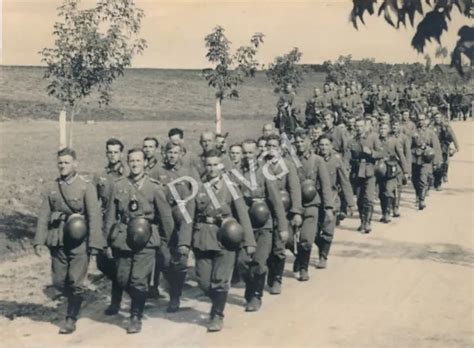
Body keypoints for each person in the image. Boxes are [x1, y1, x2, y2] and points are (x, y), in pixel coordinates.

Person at [34, 147, 104, 334]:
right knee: (58, 281)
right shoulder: (51, 187)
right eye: (60, 163)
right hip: (58, 238)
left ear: (75, 164)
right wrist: (39, 241)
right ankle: (74, 298)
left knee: (75, 281)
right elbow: (43, 215)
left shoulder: (85, 186)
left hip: (79, 240)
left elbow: (94, 216)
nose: (63, 166)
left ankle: (70, 318)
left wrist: (95, 243)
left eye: (66, 162)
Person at [104, 148, 174, 334]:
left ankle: (136, 315)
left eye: (138, 160)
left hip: (147, 239)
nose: (135, 164)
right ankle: (139, 299)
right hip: (123, 238)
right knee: (122, 278)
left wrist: (167, 244)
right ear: (127, 163)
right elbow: (110, 216)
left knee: (138, 280)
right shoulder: (118, 185)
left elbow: (166, 218)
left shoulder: (155, 187)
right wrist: (108, 242)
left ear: (145, 163)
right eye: (132, 161)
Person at [192, 149, 256, 332]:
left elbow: (243, 215)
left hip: (226, 239)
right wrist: (183, 242)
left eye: (215, 165)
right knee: (204, 282)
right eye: (208, 165)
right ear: (205, 166)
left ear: (221, 166)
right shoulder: (198, 188)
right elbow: (190, 217)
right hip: (203, 238)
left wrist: (249, 242)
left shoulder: (231, 188)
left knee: (220, 280)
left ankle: (217, 314)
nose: (212, 169)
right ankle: (217, 303)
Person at [237, 139, 289, 311]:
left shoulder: (265, 173)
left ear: (257, 153)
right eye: (245, 153)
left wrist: (282, 227)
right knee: (243, 262)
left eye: (251, 152)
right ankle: (249, 288)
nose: (247, 156)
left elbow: (276, 202)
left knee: (259, 262)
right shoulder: (236, 174)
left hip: (264, 224)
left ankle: (255, 296)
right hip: (245, 225)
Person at [153, 142, 199, 312]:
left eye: (175, 152)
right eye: (169, 152)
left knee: (179, 261)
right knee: (164, 260)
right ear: (164, 153)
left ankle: (175, 296)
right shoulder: (158, 171)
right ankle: (169, 283)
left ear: (181, 154)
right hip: (164, 224)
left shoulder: (189, 172)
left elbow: (196, 195)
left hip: (182, 222)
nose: (172, 155)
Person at [292, 129, 334, 279]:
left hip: (311, 204)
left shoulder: (317, 160)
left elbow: (325, 184)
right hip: (293, 205)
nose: (300, 144)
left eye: (302, 141)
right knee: (290, 240)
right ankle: (299, 257)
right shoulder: (290, 159)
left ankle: (304, 268)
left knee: (307, 238)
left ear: (309, 141)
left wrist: (328, 207)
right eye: (297, 142)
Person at [264, 134, 303, 294]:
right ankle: (269, 276)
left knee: (279, 247)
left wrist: (296, 211)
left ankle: (277, 279)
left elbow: (294, 189)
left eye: (274, 146)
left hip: (283, 211)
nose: (271, 150)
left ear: (280, 149)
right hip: (265, 212)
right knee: (267, 248)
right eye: (269, 146)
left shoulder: (287, 165)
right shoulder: (261, 166)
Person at [93, 138, 127, 315]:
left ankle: (116, 301)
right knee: (102, 262)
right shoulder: (100, 175)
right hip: (106, 221)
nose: (113, 155)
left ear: (121, 153)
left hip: (122, 223)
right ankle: (124, 284)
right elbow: (93, 200)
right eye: (110, 152)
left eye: (116, 152)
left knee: (119, 261)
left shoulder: (128, 173)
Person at [317, 135, 355, 268]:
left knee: (328, 229)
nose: (324, 148)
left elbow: (345, 183)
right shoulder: (315, 159)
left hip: (332, 199)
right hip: (316, 199)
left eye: (326, 145)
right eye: (321, 145)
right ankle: (320, 247)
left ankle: (323, 256)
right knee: (314, 231)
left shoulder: (337, 160)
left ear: (331, 146)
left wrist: (350, 203)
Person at [348, 118, 384, 233]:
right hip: (357, 172)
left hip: (369, 171)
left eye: (360, 126)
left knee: (368, 198)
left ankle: (368, 222)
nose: (358, 128)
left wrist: (372, 153)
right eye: (356, 126)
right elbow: (348, 155)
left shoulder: (373, 137)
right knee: (359, 199)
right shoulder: (352, 139)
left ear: (365, 126)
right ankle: (362, 221)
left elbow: (382, 153)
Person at [376, 123, 409, 223]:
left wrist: (406, 171)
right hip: (380, 170)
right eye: (381, 128)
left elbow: (401, 155)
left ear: (388, 130)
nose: (382, 130)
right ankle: (384, 213)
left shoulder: (394, 141)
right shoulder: (376, 141)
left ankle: (388, 212)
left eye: (384, 129)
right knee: (381, 193)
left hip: (392, 169)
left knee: (388, 190)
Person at [410, 114, 442, 210]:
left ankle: (421, 199)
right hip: (415, 159)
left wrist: (436, 162)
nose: (421, 122)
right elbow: (408, 147)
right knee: (414, 179)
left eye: (423, 120)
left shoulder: (430, 133)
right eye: (419, 120)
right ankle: (417, 194)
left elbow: (436, 147)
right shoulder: (413, 133)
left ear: (426, 121)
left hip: (427, 160)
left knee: (423, 179)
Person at [430, 112, 460, 189]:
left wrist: (456, 146)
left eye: (439, 117)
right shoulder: (431, 127)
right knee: (433, 165)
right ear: (434, 118)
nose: (438, 119)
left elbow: (452, 135)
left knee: (443, 164)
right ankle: (434, 180)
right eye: (436, 117)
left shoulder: (445, 126)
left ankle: (440, 181)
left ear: (441, 118)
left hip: (443, 147)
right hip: (433, 148)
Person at [390, 118, 412, 217]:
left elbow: (407, 154)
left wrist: (407, 170)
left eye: (396, 125)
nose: (394, 127)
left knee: (397, 187)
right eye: (393, 125)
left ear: (400, 126)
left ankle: (395, 207)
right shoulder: (387, 136)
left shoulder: (404, 138)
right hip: (388, 165)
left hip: (398, 165)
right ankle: (388, 207)